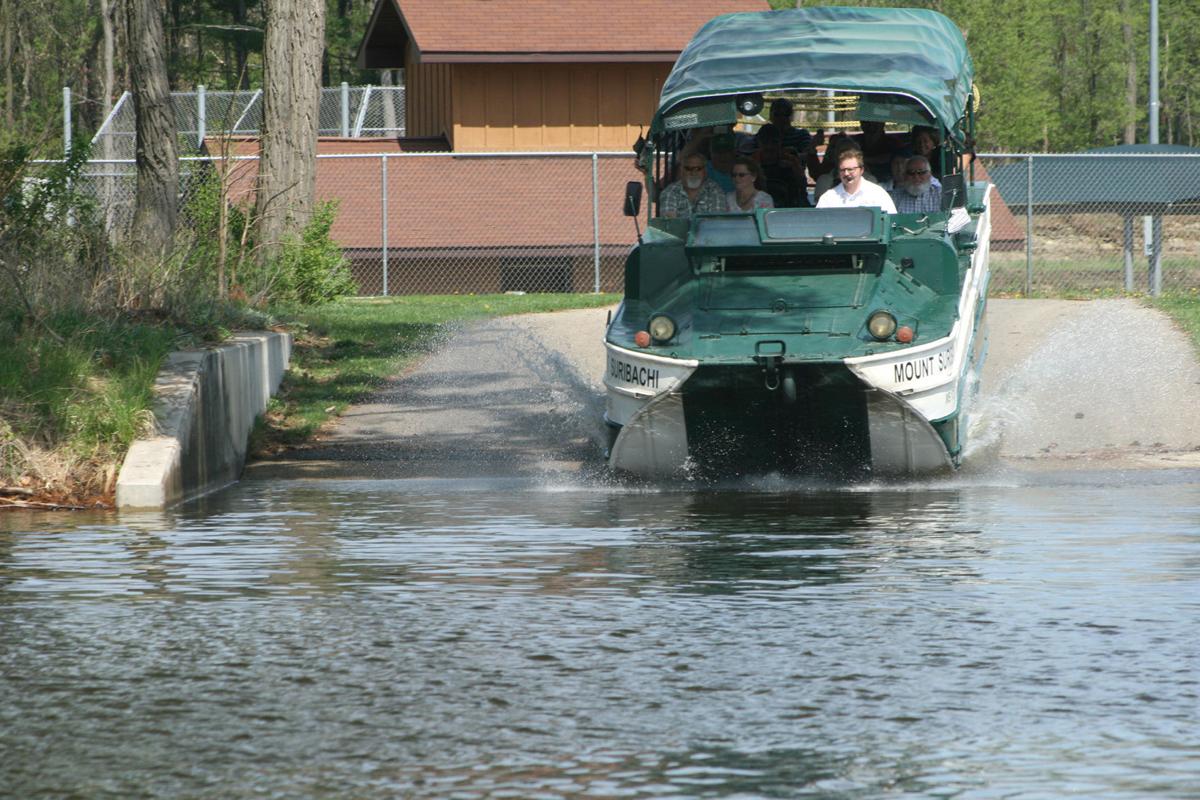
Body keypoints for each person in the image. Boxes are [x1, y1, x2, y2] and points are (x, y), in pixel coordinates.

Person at [816, 146, 897, 213]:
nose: (846, 173)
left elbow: (891, 223)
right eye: (843, 170)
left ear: (861, 170)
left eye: (851, 169)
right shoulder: (828, 198)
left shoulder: (878, 194)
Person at [752, 123, 810, 207]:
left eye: (774, 142)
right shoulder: (752, 163)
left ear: (780, 142)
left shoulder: (790, 160)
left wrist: (793, 168)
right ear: (759, 142)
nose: (769, 146)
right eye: (765, 142)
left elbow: (802, 186)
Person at [658, 151, 725, 219]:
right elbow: (669, 223)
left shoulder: (714, 190)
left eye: (698, 169)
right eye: (688, 169)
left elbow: (716, 222)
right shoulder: (670, 191)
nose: (693, 173)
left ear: (705, 171)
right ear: (681, 171)